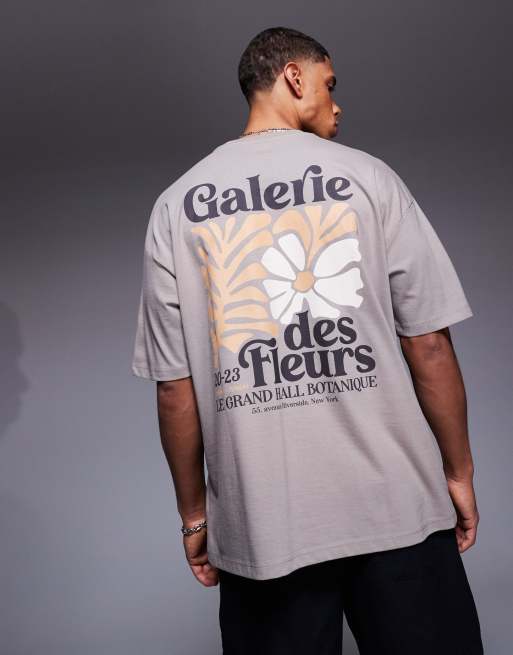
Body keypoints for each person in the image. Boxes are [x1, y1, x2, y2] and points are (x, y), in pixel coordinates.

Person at [131, 26, 484, 655]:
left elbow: (174, 390)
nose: (337, 104)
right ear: (294, 78)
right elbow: (429, 344)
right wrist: (458, 471)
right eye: (330, 84)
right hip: (397, 508)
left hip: (263, 524)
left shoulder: (175, 207)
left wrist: (194, 516)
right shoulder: (370, 179)